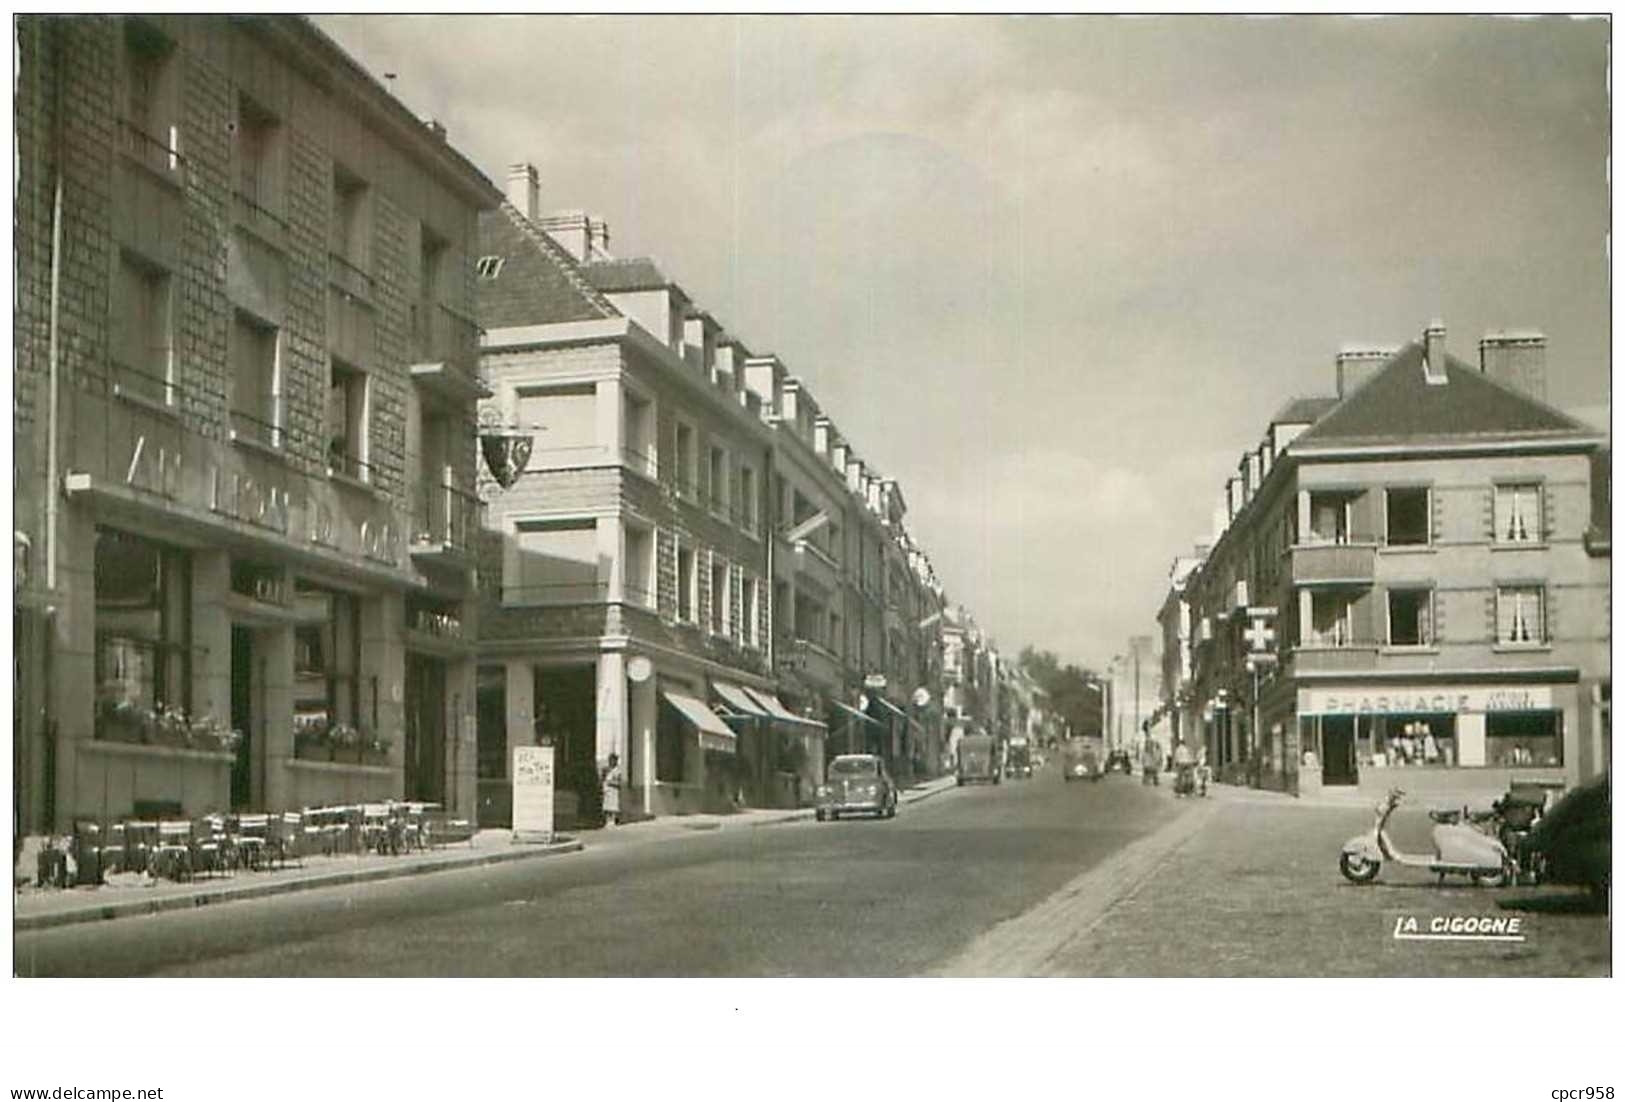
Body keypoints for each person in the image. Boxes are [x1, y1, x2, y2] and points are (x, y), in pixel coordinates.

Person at [600, 753, 622, 827]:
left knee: (613, 806)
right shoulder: (607, 770)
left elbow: (619, 782)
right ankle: (607, 820)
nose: (611, 762)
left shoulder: (617, 771)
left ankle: (613, 820)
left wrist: (611, 783)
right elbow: (603, 779)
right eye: (610, 760)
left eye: (613, 760)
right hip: (607, 790)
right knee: (606, 806)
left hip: (613, 790)